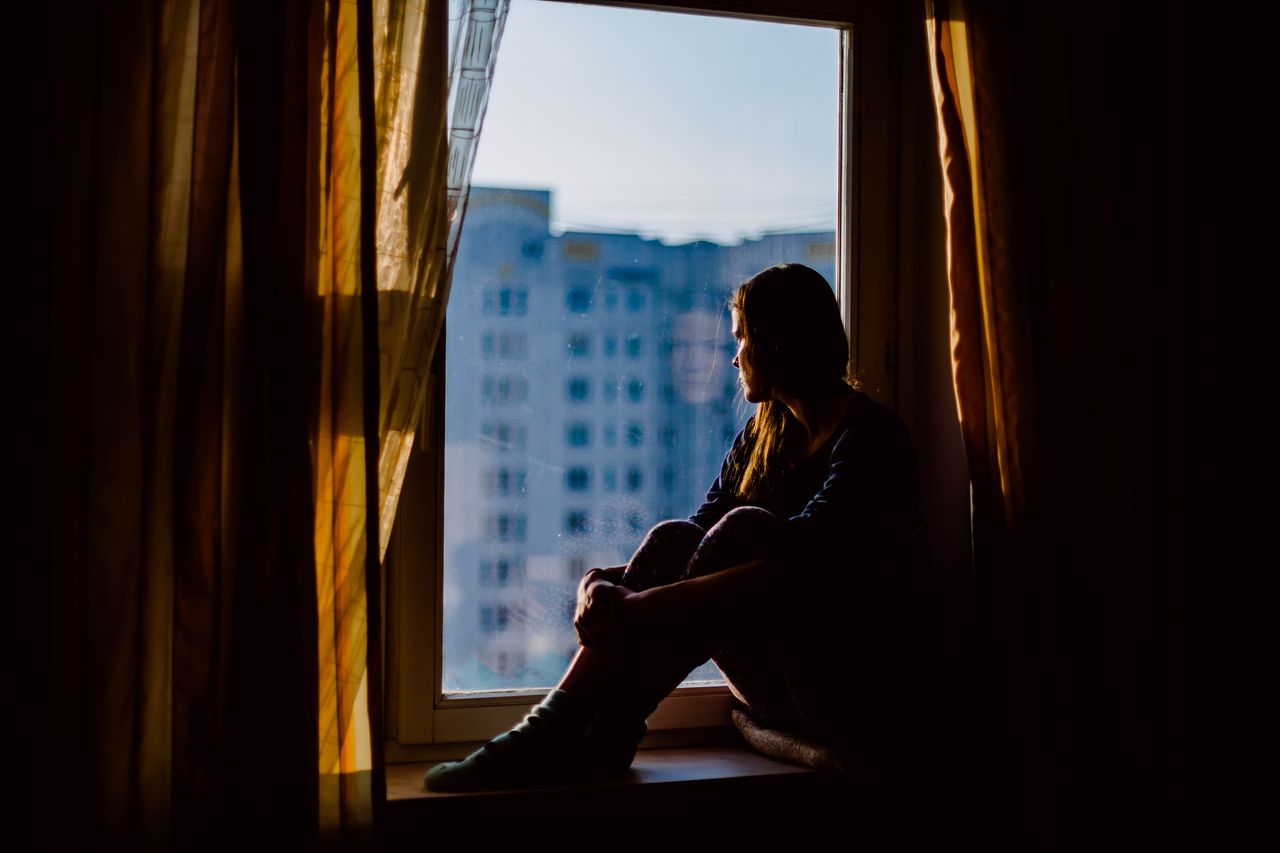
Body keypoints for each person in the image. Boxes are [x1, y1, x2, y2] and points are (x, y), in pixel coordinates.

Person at [425, 263, 931, 792]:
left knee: (746, 530)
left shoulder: (872, 437)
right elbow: (693, 540)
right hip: (777, 676)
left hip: (853, 689)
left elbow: (797, 566)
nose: (733, 359)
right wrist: (600, 582)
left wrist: (642, 608)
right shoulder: (764, 435)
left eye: (741, 340)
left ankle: (569, 729)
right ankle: (580, 728)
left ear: (778, 343)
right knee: (678, 537)